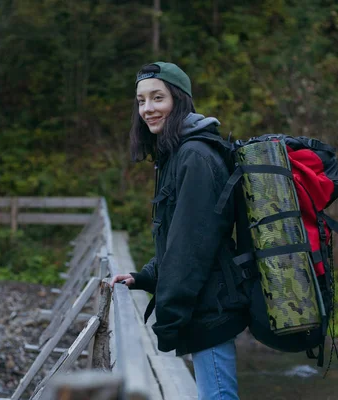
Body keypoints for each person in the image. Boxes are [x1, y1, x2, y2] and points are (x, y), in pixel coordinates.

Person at [110, 61, 249, 400]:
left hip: (210, 308)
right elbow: (177, 237)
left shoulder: (195, 156)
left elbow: (192, 246)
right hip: (203, 302)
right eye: (141, 101)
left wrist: (168, 318)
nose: (147, 109)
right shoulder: (176, 154)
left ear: (180, 100)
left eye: (157, 98)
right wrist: (144, 277)